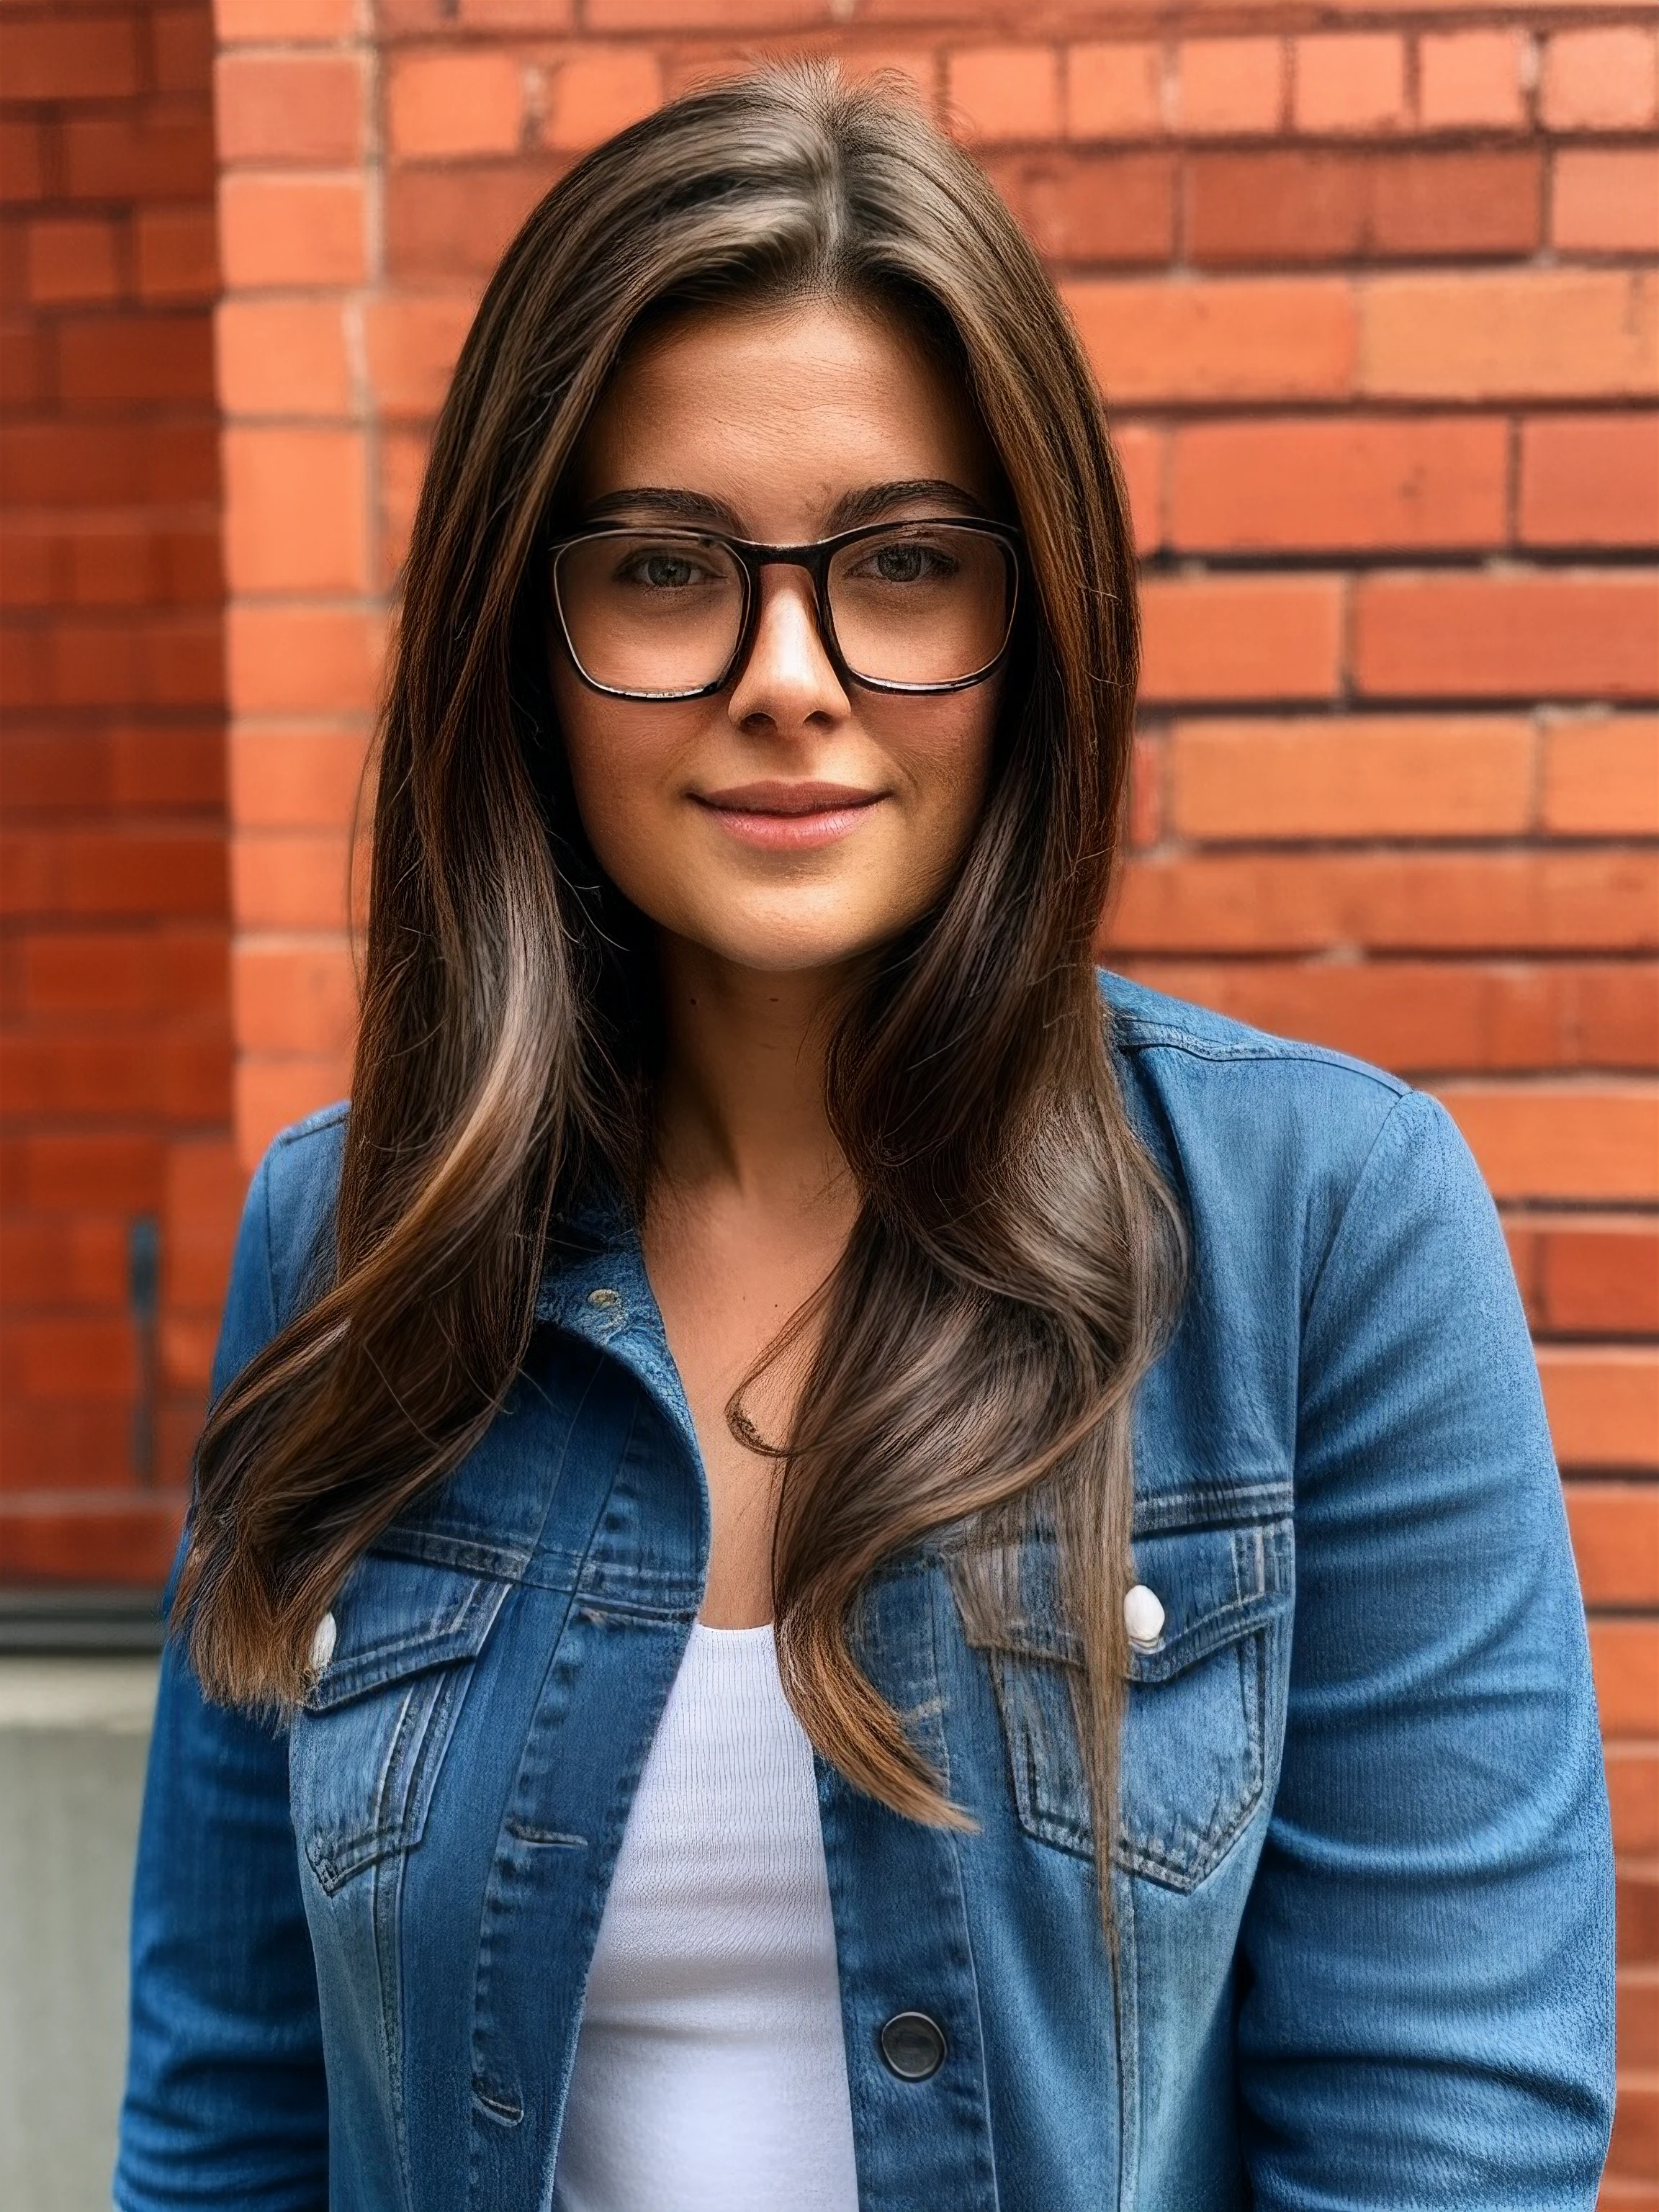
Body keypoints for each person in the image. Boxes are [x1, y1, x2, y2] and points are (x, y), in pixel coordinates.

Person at [116, 63, 1614, 2212]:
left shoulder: (1325, 1233)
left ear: (1043, 623)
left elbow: (1443, 2132)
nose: (789, 676)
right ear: (518, 647)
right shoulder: (347, 1244)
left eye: (904, 565)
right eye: (660, 570)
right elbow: (230, 2112)